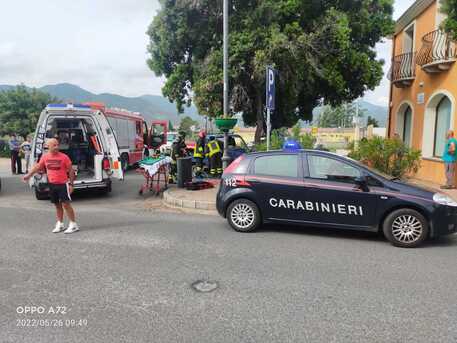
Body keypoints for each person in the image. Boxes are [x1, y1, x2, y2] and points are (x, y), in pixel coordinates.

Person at [23, 138, 80, 234]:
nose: (57, 147)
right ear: (48, 146)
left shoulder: (64, 157)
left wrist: (71, 184)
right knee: (57, 205)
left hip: (63, 184)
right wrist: (29, 175)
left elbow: (71, 171)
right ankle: (60, 224)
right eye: (54, 145)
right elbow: (38, 167)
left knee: (66, 204)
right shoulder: (45, 157)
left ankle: (73, 224)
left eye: (57, 145)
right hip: (52, 184)